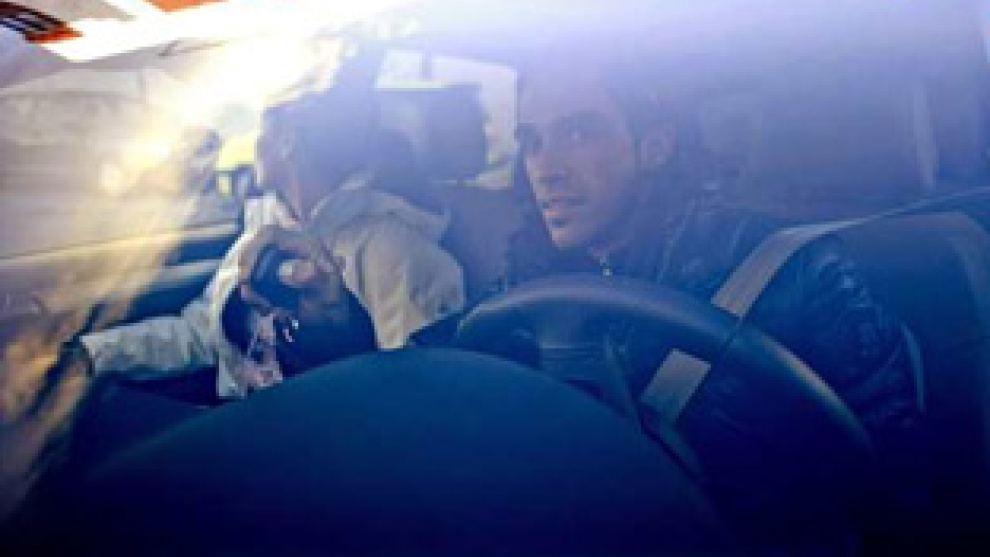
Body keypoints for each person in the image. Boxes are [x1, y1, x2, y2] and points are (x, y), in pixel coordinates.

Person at [498, 52, 927, 533]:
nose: (545, 169)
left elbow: (893, 466)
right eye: (531, 142)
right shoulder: (525, 282)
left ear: (654, 147)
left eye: (578, 134)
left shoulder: (790, 269)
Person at [75, 88, 465, 398]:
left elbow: (411, 397)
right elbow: (202, 335)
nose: (252, 145)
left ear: (288, 142)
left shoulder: (397, 254)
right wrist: (91, 355)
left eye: (261, 130)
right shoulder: (263, 229)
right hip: (240, 422)